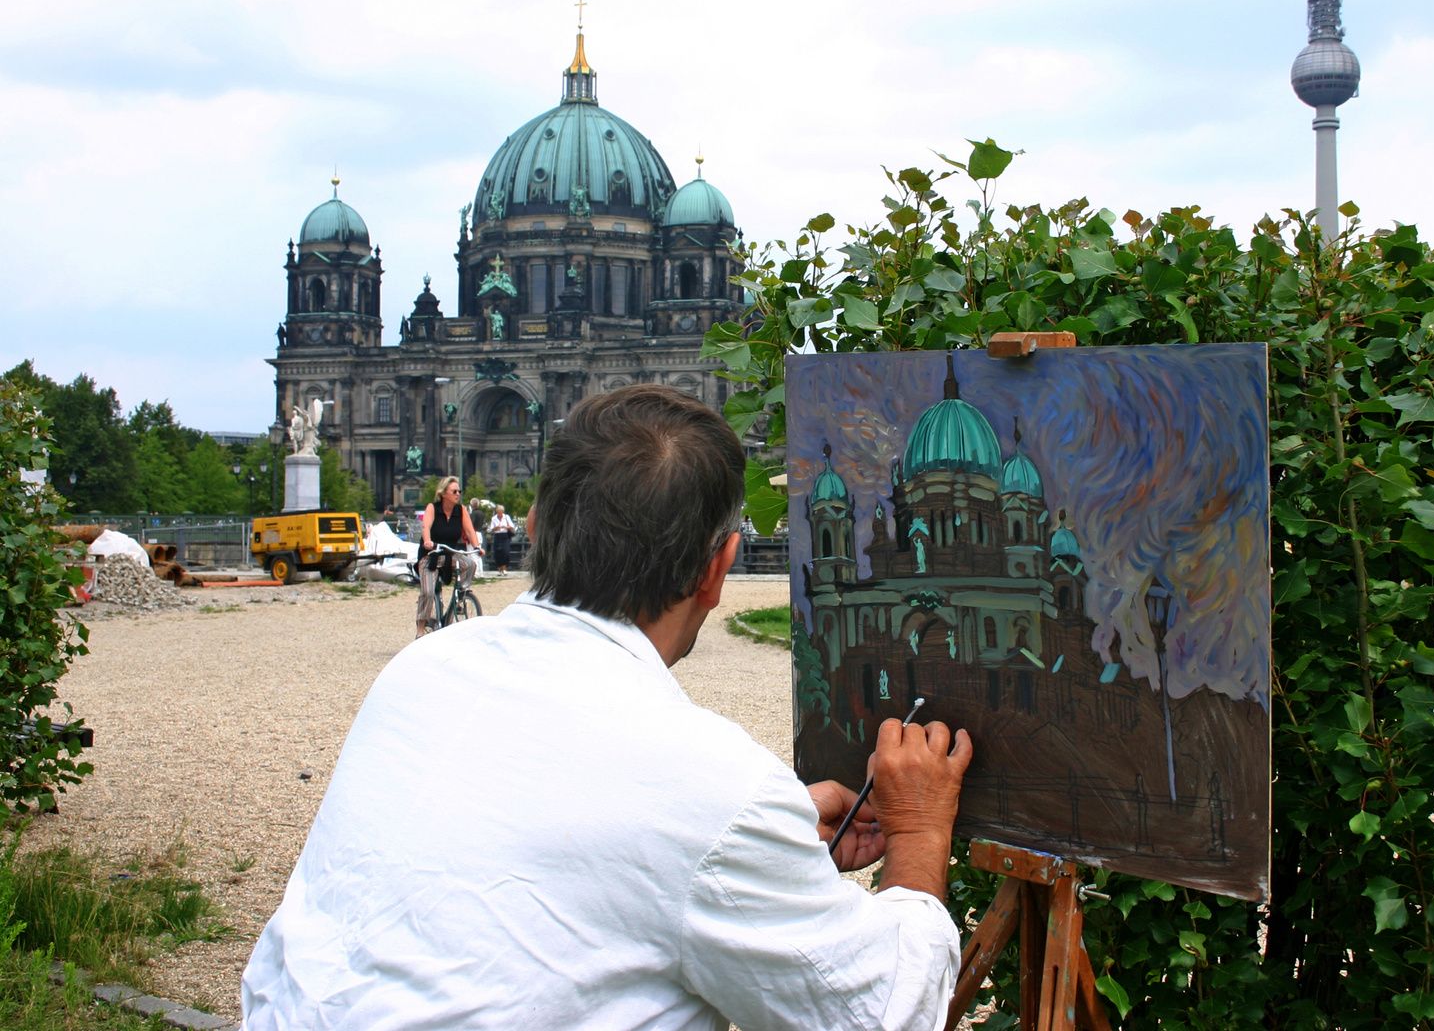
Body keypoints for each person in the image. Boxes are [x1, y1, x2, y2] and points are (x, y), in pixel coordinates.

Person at [240, 385, 973, 1031]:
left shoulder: (423, 668)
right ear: (717, 570)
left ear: (532, 531)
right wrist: (916, 830)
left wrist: (770, 844)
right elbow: (885, 1015)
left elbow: (577, 850)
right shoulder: (708, 788)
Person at [414, 475, 480, 637]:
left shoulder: (461, 510)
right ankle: (420, 629)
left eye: (459, 491)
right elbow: (426, 527)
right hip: (431, 555)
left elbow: (470, 530)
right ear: (443, 494)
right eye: (454, 491)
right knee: (428, 592)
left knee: (470, 564)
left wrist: (477, 546)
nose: (458, 494)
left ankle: (461, 594)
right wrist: (428, 541)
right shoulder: (433, 508)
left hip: (450, 554)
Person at [486, 503, 516, 575]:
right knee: (497, 552)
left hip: (505, 535)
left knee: (505, 551)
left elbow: (512, 526)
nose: (499, 514)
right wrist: (497, 528)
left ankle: (504, 568)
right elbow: (491, 529)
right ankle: (499, 568)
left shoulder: (506, 517)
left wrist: (505, 527)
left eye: (501, 512)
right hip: (497, 535)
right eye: (498, 512)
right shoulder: (494, 518)